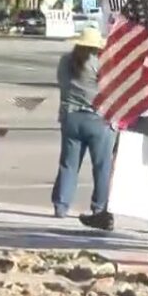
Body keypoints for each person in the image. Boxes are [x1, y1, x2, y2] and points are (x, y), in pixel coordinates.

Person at [50, 28, 116, 225]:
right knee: (102, 166)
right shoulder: (101, 63)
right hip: (98, 118)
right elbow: (110, 89)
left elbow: (62, 84)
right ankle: (99, 206)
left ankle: (61, 205)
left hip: (71, 116)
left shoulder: (65, 61)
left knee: (69, 164)